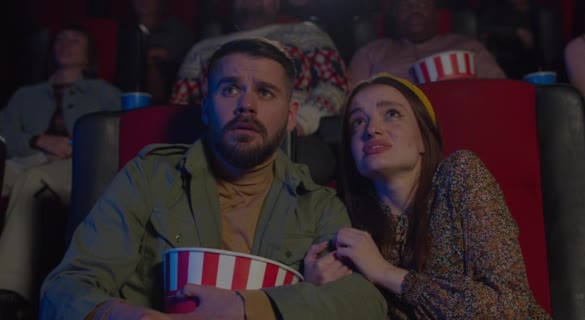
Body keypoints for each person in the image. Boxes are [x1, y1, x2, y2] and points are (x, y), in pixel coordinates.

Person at [39, 38, 387, 319]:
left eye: (265, 92)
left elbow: (365, 304)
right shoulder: (149, 176)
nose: (246, 106)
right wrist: (129, 316)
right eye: (230, 90)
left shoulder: (317, 204)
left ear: (291, 115)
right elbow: (65, 290)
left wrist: (248, 307)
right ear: (205, 107)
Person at [318, 73, 550, 318]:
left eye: (392, 114)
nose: (372, 129)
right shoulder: (344, 219)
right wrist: (316, 288)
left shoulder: (459, 174)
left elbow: (510, 307)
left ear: (423, 140)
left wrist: (385, 272)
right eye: (358, 122)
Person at [0, 24, 121, 316]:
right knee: (21, 174)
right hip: (27, 158)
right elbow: (4, 132)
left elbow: (117, 135)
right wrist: (37, 139)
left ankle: (8, 290)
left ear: (88, 52)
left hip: (74, 165)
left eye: (75, 39)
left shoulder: (105, 93)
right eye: (61, 39)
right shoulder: (25, 95)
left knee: (32, 181)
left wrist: (74, 145)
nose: (66, 44)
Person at [170, 0, 349, 136]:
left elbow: (334, 86)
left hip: (295, 137)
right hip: (216, 138)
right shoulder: (202, 49)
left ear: (276, 4)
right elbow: (180, 107)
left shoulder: (306, 33)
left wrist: (299, 122)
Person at [347, 0, 505, 85]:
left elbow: (501, 91)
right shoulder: (370, 54)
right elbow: (350, 104)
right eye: (405, 6)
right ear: (394, 15)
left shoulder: (470, 48)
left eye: (422, 4)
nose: (414, 11)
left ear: (436, 12)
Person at [114, 0, 193, 105]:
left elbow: (181, 59)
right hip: (125, 96)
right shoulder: (123, 31)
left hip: (168, 100)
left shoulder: (176, 30)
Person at [478, 0, 540, 79]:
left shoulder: (535, 9)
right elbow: (485, 29)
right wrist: (516, 32)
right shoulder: (494, 6)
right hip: (504, 58)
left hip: (530, 60)